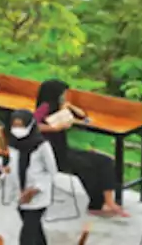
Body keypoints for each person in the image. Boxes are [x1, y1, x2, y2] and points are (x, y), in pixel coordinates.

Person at [34, 79, 128, 217]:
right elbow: (32, 125)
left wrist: (69, 106)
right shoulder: (45, 107)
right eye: (62, 94)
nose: (64, 96)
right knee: (86, 166)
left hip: (63, 149)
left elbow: (83, 116)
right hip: (52, 153)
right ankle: (96, 204)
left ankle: (109, 202)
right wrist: (54, 128)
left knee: (105, 161)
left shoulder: (59, 106)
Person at [9, 109, 57, 245]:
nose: (18, 129)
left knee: (26, 237)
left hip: (37, 197)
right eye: (15, 125)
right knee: (35, 230)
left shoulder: (42, 146)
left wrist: (35, 189)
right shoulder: (13, 143)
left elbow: (52, 171)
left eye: (21, 125)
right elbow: (11, 165)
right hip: (19, 194)